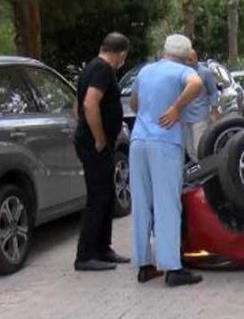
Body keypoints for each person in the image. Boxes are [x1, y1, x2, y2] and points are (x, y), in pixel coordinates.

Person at [129, 34, 204, 286]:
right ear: (185, 55)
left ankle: (144, 265)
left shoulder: (146, 71)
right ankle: (173, 268)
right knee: (167, 203)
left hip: (138, 141)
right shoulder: (181, 71)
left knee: (141, 203)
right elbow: (196, 85)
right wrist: (175, 107)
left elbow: (133, 102)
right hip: (165, 142)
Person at [73, 32, 131, 271]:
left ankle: (103, 248)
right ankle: (85, 255)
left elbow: (77, 105)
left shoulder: (91, 68)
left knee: (107, 195)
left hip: (95, 140)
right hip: (96, 143)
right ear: (121, 54)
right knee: (98, 197)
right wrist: (98, 137)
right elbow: (89, 103)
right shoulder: (102, 70)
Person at [183, 49, 221, 162]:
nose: (188, 62)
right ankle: (198, 170)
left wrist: (214, 110)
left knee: (198, 146)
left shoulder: (205, 72)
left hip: (200, 115)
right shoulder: (181, 73)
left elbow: (213, 92)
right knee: (189, 149)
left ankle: (204, 170)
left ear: (196, 59)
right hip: (184, 117)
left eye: (191, 59)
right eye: (186, 60)